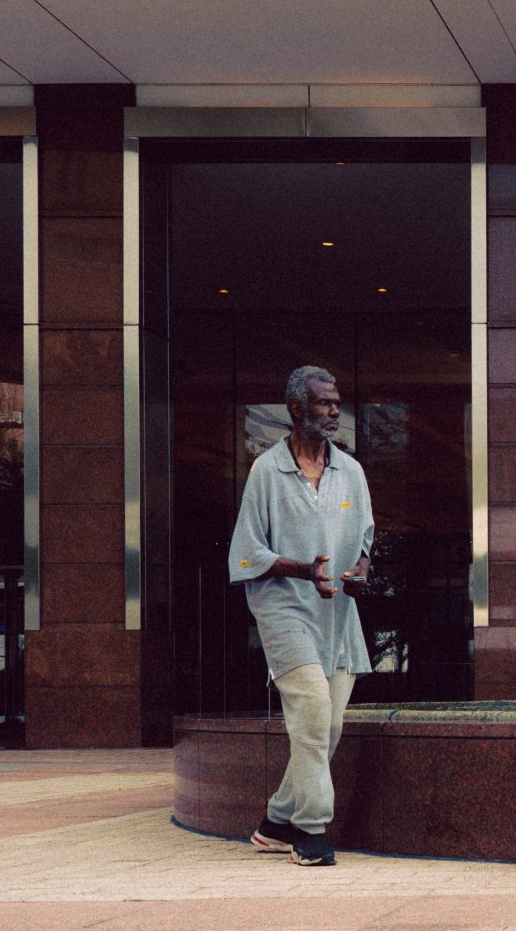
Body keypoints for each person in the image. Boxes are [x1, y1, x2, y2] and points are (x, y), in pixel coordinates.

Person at [227, 365, 374, 867]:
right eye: (324, 403)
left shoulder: (351, 471)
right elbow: (247, 552)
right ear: (296, 409)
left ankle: (274, 821)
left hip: (338, 616)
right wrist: (303, 571)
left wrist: (359, 569)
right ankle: (310, 832)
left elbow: (368, 541)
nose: (335, 411)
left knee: (327, 729)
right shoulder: (267, 470)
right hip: (284, 608)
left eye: (337, 402)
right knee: (312, 717)